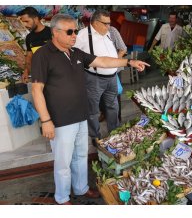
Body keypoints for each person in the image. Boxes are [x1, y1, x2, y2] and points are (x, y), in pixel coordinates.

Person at [31, 14, 149, 205]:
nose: (74, 35)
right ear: (55, 32)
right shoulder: (42, 55)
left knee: (80, 155)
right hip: (60, 119)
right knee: (63, 162)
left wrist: (129, 62)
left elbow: (102, 61)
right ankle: (62, 198)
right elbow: (37, 90)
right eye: (70, 32)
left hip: (80, 115)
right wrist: (46, 120)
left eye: (75, 31)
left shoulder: (75, 52)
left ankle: (81, 188)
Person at [74, 9, 123, 146]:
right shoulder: (82, 36)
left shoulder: (108, 33)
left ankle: (115, 133)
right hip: (94, 78)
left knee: (113, 106)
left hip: (112, 77)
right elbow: (74, 56)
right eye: (105, 23)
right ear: (95, 22)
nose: (108, 27)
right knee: (93, 110)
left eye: (109, 23)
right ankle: (95, 137)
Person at [98, 25, 127, 123]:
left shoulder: (112, 31)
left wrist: (112, 62)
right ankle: (104, 113)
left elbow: (123, 49)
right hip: (99, 69)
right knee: (100, 93)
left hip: (114, 68)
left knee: (115, 93)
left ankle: (117, 118)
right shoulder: (90, 33)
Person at [17, 7, 52, 83]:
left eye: (27, 21)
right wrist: (26, 71)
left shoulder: (52, 32)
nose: (25, 25)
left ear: (35, 19)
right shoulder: (29, 37)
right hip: (40, 78)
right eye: (23, 22)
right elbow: (29, 57)